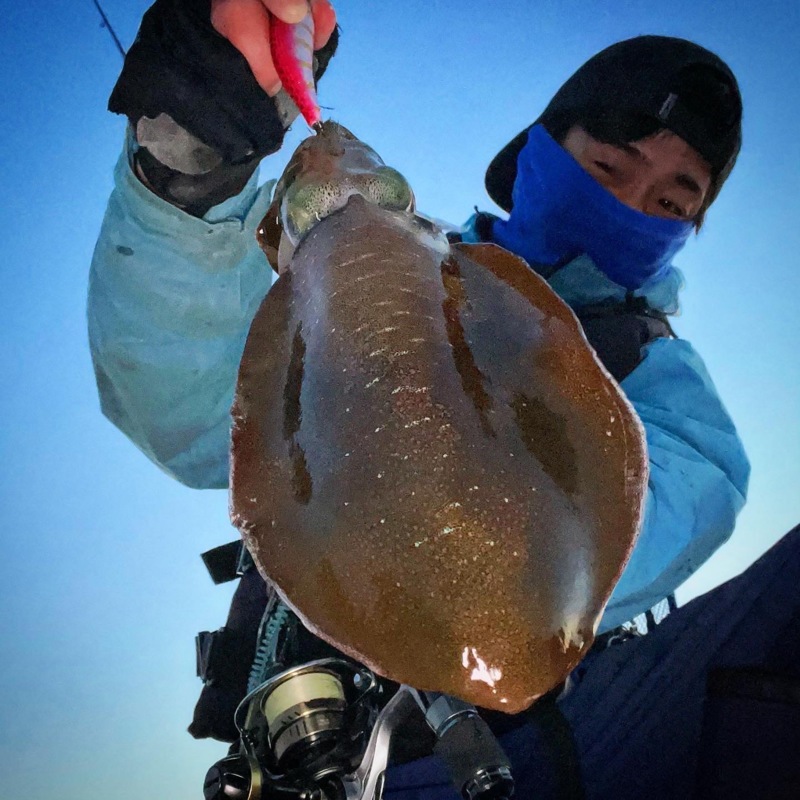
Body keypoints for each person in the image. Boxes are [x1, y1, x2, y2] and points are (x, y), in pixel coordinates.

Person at [88, 0, 751, 793]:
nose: (632, 205)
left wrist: (487, 580)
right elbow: (189, 407)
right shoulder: (354, 299)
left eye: (674, 204)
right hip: (358, 752)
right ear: (538, 153)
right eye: (608, 167)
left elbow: (689, 489)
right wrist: (187, 168)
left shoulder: (656, 367)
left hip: (586, 725)